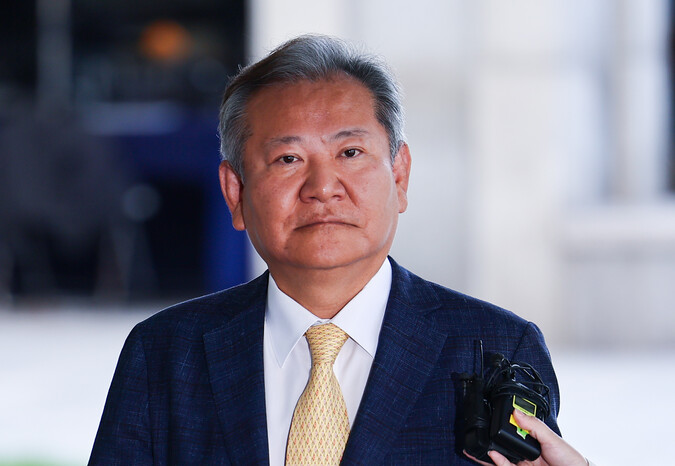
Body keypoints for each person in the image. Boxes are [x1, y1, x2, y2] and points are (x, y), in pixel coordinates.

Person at [89, 34, 588, 465]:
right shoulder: (164, 354)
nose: (323, 187)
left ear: (399, 175)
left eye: (350, 152)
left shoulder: (495, 347)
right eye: (288, 158)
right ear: (235, 193)